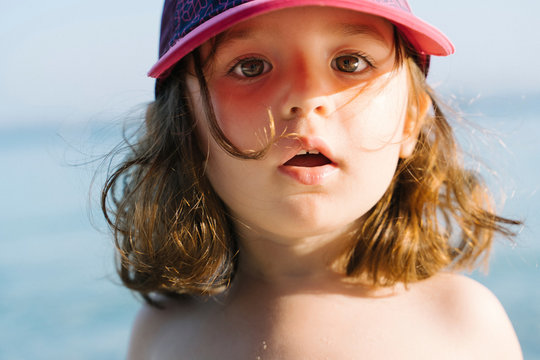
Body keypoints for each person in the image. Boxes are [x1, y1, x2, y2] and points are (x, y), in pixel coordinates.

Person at [102, 0, 523, 358]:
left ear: (410, 118)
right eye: (250, 67)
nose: (306, 98)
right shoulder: (162, 334)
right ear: (183, 126)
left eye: (350, 62)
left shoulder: (462, 323)